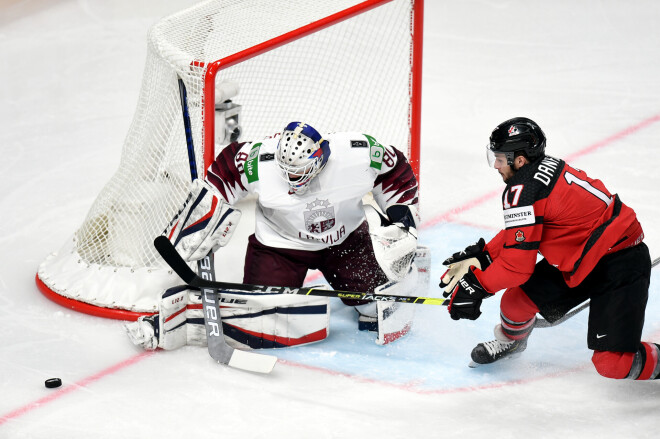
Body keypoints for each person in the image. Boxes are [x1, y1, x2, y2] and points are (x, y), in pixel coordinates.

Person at [127, 121, 421, 351]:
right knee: (260, 319)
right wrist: (203, 217)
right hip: (281, 248)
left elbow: (395, 171)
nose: (291, 181)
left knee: (377, 307)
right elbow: (224, 172)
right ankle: (179, 323)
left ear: (321, 158)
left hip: (344, 243)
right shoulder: (258, 160)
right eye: (286, 172)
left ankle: (368, 299)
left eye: (299, 173)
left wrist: (402, 218)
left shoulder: (357, 153)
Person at [439, 116, 658, 380]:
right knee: (515, 303)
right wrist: (486, 256)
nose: (496, 165)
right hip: (583, 255)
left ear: (519, 160)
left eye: (500, 158)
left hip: (620, 261)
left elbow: (517, 268)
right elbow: (527, 230)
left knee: (614, 365)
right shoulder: (539, 171)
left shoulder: (524, 189)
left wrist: (477, 286)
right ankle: (513, 342)